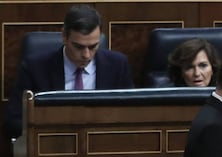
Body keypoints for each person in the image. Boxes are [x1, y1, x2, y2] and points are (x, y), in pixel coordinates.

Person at [4, 4, 134, 139]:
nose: (86, 55)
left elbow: (131, 116)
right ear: (64, 37)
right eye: (78, 47)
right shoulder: (35, 68)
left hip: (104, 145)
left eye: (93, 46)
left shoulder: (118, 65)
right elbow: (13, 122)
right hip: (52, 146)